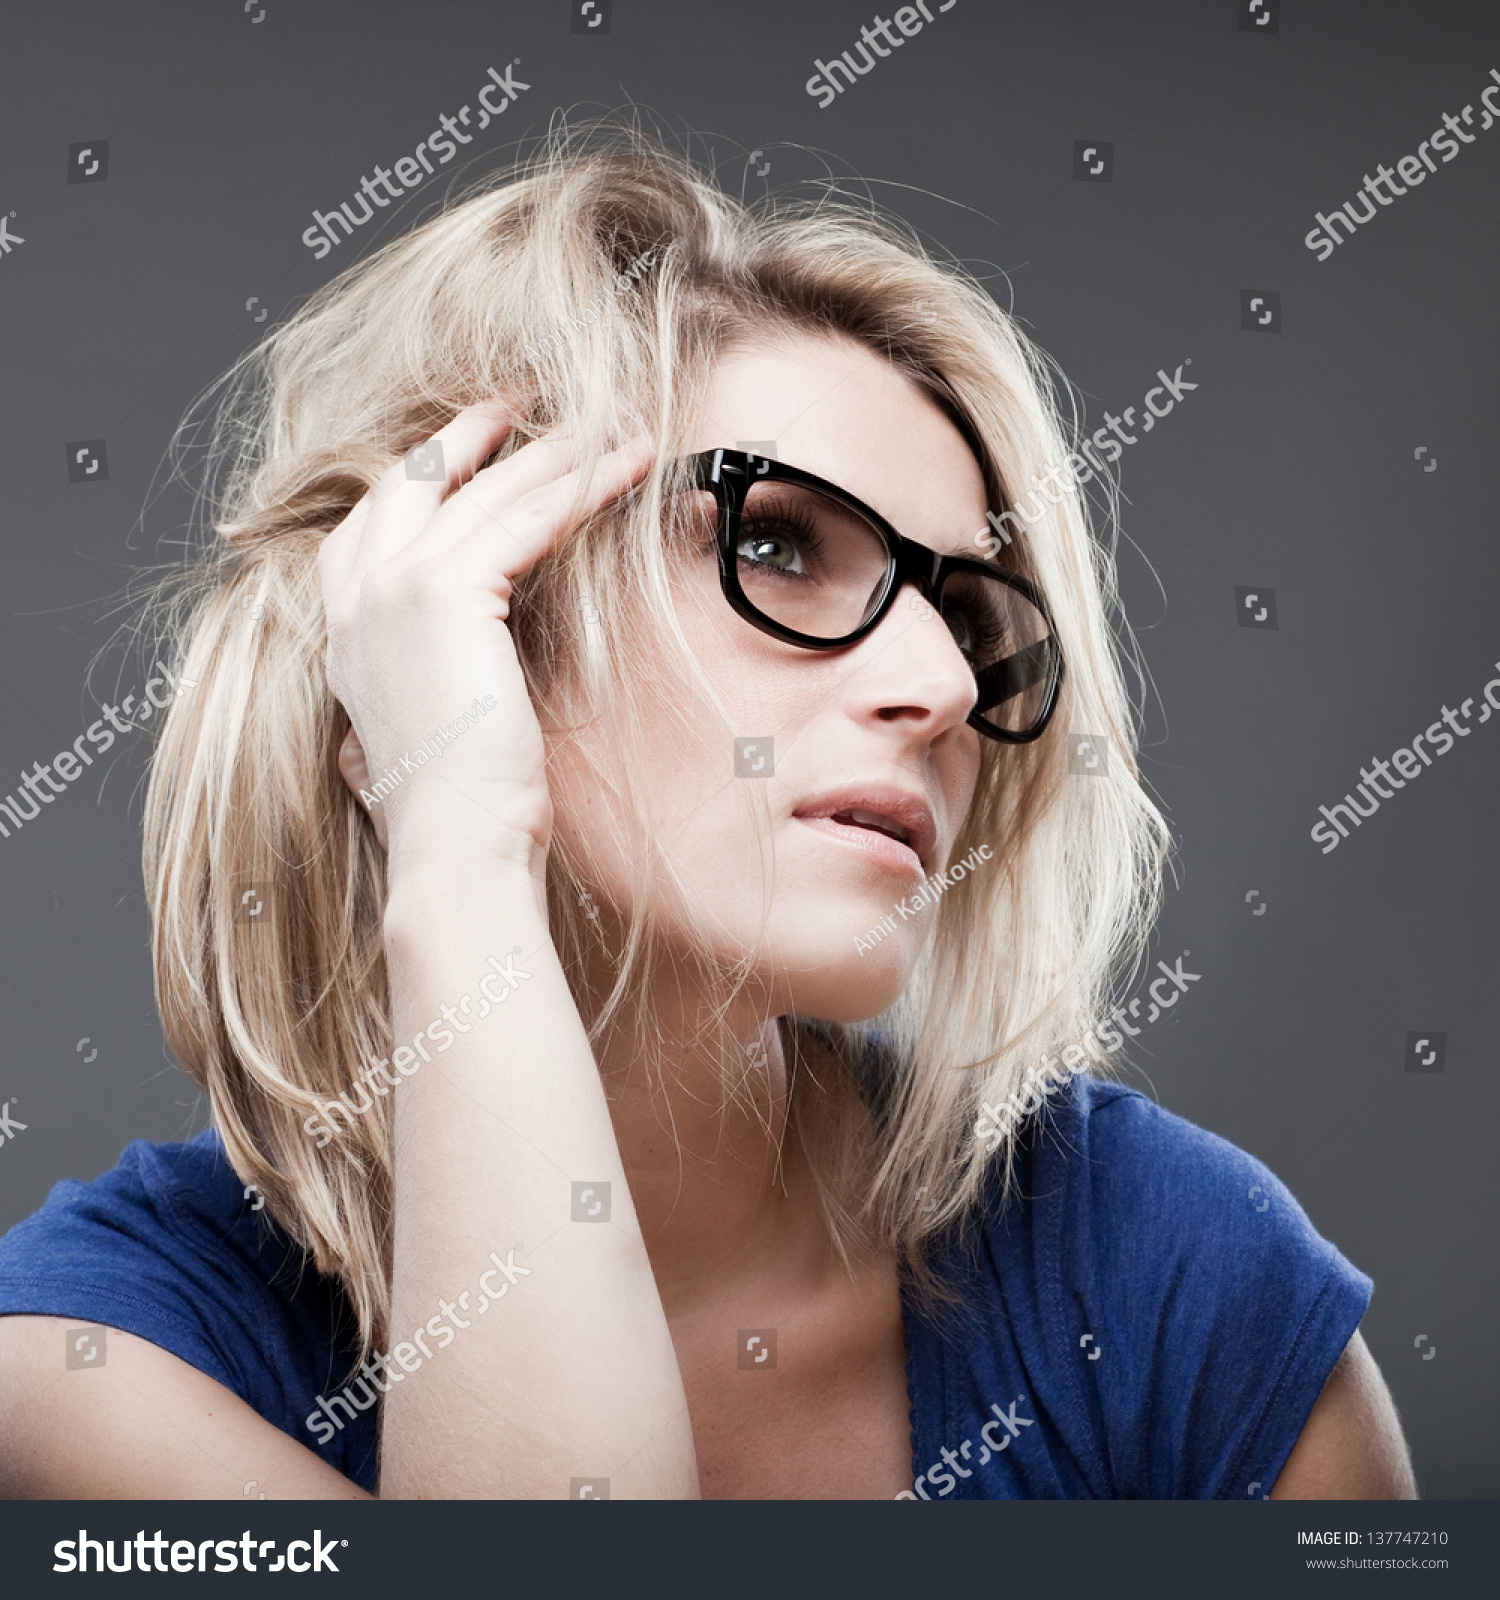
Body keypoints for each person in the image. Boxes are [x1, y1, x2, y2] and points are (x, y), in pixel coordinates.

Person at [0, 122, 1415, 1500]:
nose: (937, 685)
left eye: (971, 618)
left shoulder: (1184, 1283)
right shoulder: (92, 1357)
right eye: (776, 542)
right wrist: (457, 843)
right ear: (467, 601)